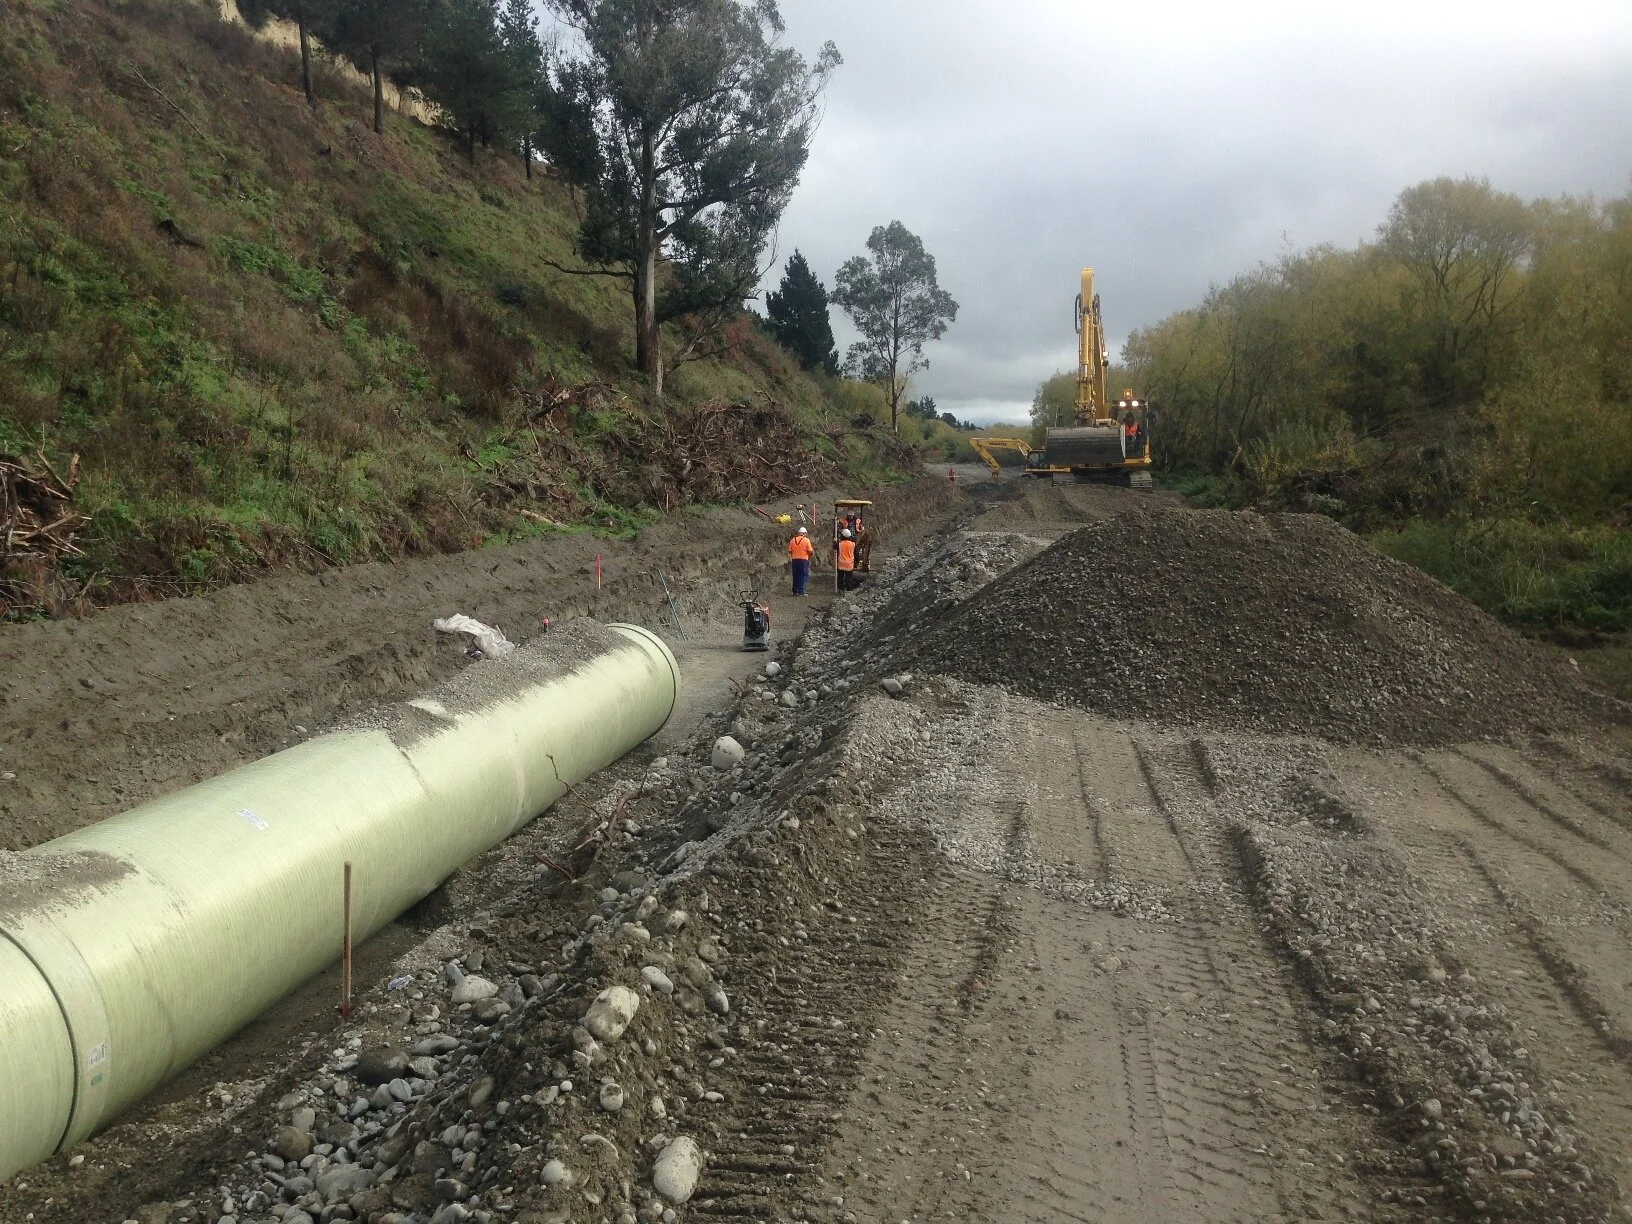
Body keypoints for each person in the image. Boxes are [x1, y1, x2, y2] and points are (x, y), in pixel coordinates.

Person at [787, 526, 814, 596]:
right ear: (804, 533)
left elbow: (790, 551)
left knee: (795, 575)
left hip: (794, 560)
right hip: (803, 561)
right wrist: (810, 554)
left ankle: (795, 591)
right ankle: (801, 592)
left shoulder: (793, 540)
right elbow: (810, 551)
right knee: (803, 576)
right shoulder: (806, 540)